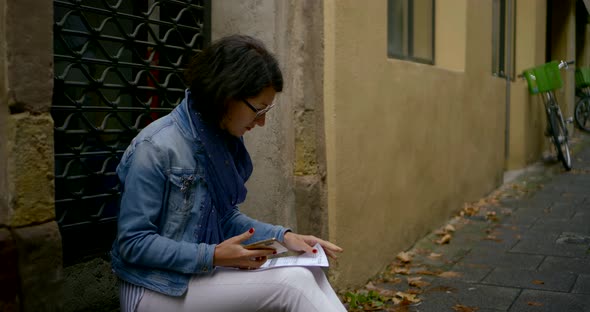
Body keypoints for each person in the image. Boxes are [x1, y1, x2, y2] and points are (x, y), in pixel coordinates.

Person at [110, 34, 346, 312]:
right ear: (226, 95)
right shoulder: (155, 147)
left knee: (311, 272)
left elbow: (223, 215)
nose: (262, 121)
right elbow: (133, 243)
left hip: (197, 275)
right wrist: (213, 255)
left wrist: (285, 237)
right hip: (153, 287)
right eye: (259, 109)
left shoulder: (219, 139)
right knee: (292, 283)